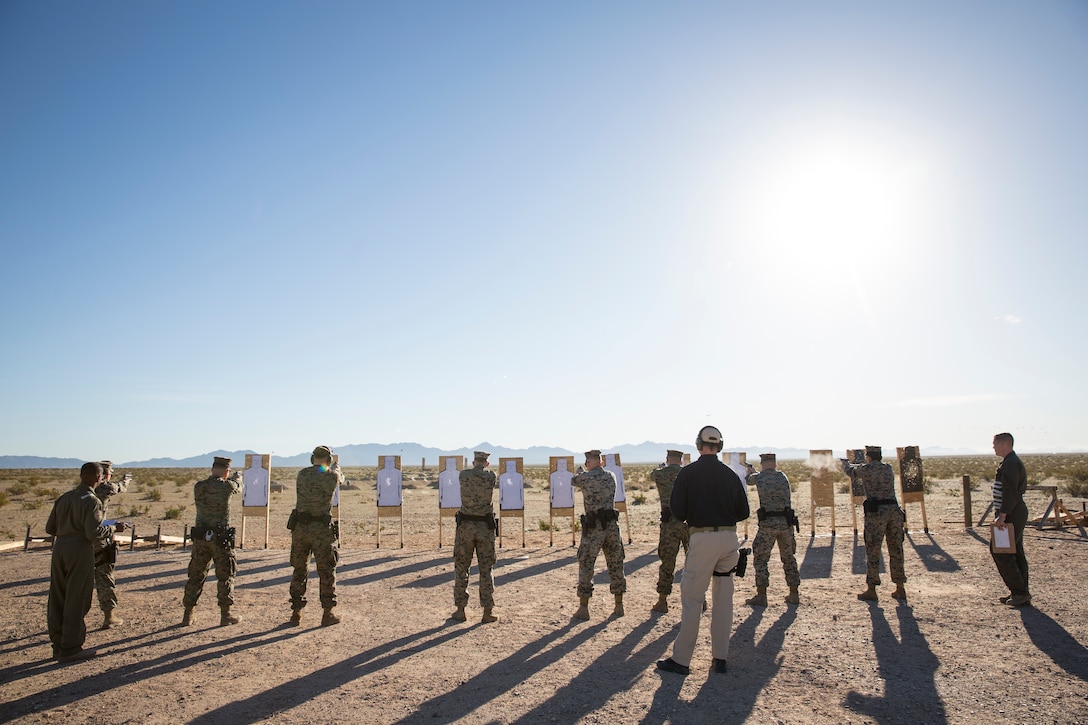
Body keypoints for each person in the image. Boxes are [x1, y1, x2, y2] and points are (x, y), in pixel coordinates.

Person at [657, 426, 750, 676]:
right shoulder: (730, 475)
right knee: (723, 600)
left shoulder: (688, 474)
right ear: (719, 446)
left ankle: (682, 660)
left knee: (693, 599)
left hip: (702, 539)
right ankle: (720, 658)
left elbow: (678, 511)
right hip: (729, 540)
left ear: (699, 444)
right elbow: (744, 512)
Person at [46, 462, 124, 663]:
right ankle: (71, 648)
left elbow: (50, 528)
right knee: (77, 599)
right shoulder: (92, 501)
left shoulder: (64, 498)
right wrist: (114, 528)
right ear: (99, 478)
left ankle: (58, 643)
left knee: (58, 597)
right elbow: (94, 532)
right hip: (80, 549)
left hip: (60, 548)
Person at [182, 456, 242, 626]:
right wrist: (236, 479)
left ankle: (188, 614)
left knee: (195, 576)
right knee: (226, 576)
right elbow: (237, 487)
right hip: (220, 539)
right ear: (226, 471)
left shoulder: (199, 486)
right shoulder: (228, 486)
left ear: (212, 469)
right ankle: (226, 614)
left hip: (201, 538)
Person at [841, 445, 906, 602]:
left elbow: (851, 472)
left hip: (877, 513)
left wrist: (845, 465)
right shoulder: (888, 468)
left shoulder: (866, 469)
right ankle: (900, 587)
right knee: (896, 550)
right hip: (894, 512)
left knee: (873, 550)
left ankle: (872, 588)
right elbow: (867, 469)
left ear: (868, 456)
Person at [288, 445, 344, 626]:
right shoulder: (332, 475)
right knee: (326, 571)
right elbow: (339, 478)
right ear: (328, 461)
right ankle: (328, 613)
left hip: (301, 529)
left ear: (313, 459)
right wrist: (335, 468)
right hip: (321, 530)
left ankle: (296, 613)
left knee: (299, 570)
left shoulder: (302, 474)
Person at [572, 449, 625, 620]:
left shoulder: (584, 478)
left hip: (594, 528)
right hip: (611, 526)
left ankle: (584, 607)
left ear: (588, 462)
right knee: (615, 563)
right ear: (601, 462)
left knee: (586, 564)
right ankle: (619, 605)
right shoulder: (610, 476)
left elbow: (574, 480)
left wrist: (581, 472)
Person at [745, 453, 800, 607]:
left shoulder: (759, 477)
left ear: (762, 464)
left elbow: (749, 480)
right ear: (775, 464)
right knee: (789, 558)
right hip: (786, 524)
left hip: (768, 524)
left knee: (761, 558)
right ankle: (794, 592)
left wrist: (752, 472)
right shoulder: (783, 477)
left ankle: (762, 595)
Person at [452, 451, 499, 624]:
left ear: (473, 462)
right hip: (485, 529)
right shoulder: (491, 476)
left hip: (465, 527)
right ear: (487, 463)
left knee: (462, 567)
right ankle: (487, 611)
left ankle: (460, 609)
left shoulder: (464, 475)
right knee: (486, 569)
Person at [991, 432, 1030, 607]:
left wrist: (1003, 514)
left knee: (1001, 551)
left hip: (1012, 513)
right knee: (1014, 552)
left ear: (1004, 444)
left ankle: (1019, 592)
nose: (993, 447)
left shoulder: (1011, 464)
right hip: (1013, 512)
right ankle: (1020, 591)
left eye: (995, 444)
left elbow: (1010, 492)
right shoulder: (1009, 462)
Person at [650, 449, 688, 614]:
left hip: (669, 523)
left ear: (667, 459)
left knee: (667, 562)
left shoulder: (659, 474)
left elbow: (653, 475)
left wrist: (661, 468)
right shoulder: (689, 474)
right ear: (681, 460)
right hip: (689, 522)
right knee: (694, 563)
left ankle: (662, 600)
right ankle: (699, 600)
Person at [93, 460, 129, 629]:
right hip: (98, 539)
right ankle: (109, 616)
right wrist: (126, 480)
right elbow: (120, 487)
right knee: (104, 577)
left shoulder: (81, 491)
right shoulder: (105, 488)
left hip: (80, 541)